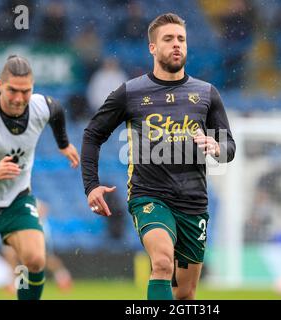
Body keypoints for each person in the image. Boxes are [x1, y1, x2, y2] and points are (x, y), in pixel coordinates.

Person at [81, 13, 236, 300]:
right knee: (162, 263)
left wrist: (216, 148)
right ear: (153, 47)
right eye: (168, 39)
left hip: (193, 203)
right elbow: (92, 135)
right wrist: (91, 185)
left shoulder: (206, 94)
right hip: (149, 197)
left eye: (181, 39)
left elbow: (229, 147)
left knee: (185, 293)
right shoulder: (130, 93)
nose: (176, 44)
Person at [0, 55, 80, 300]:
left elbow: (57, 111)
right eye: (13, 91)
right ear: (0, 85)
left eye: (26, 91)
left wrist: (64, 144)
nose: (19, 98)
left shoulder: (42, 105)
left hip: (14, 201)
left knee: (35, 258)